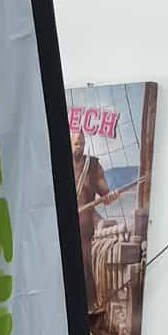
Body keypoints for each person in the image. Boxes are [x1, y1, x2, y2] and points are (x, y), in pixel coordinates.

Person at [71, 126, 110, 316]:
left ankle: (90, 308)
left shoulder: (93, 166)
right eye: (76, 144)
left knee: (86, 266)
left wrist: (111, 195)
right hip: (62, 229)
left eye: (82, 143)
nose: (79, 147)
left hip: (84, 229)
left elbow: (106, 194)